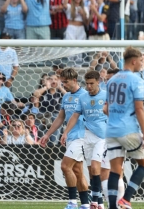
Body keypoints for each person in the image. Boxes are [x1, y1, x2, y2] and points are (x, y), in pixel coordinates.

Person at [61, 70, 117, 209]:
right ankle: (99, 203)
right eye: (87, 84)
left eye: (91, 83)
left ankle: (93, 202)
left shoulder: (106, 95)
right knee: (92, 170)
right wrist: (65, 132)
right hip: (87, 136)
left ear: (98, 82)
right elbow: (75, 115)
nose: (89, 86)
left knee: (96, 167)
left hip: (102, 137)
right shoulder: (83, 98)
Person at [104, 47, 144, 209]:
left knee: (115, 170)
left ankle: (112, 206)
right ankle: (126, 199)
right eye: (141, 61)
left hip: (111, 130)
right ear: (134, 61)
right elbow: (139, 108)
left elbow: (106, 109)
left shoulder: (111, 81)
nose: (142, 64)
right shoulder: (136, 80)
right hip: (128, 129)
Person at [38, 68, 89, 209]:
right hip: (71, 137)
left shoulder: (85, 95)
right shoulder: (66, 97)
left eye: (65, 82)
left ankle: (72, 202)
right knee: (78, 171)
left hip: (82, 137)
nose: (63, 84)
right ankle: (85, 204)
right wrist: (47, 135)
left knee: (65, 166)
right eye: (62, 82)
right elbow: (61, 117)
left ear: (74, 80)